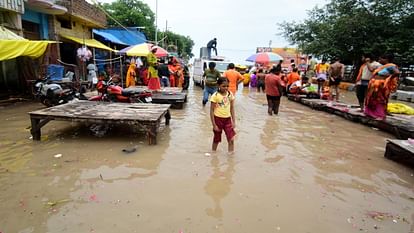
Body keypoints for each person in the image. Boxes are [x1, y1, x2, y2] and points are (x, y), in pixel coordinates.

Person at [364, 53, 400, 120]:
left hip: (380, 85)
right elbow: (372, 70)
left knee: (379, 99)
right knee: (371, 99)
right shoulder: (382, 66)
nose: (379, 60)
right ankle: (371, 114)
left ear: (386, 59)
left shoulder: (391, 66)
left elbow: (397, 72)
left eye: (380, 59)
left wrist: (389, 78)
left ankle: (380, 115)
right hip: (373, 84)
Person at [210, 77, 236, 153]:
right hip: (218, 119)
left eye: (227, 86)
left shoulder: (230, 94)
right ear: (218, 85)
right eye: (223, 86)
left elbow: (232, 108)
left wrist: (233, 121)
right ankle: (213, 154)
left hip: (228, 120)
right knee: (216, 139)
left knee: (231, 139)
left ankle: (231, 157)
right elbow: (211, 110)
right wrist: (214, 125)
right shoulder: (215, 96)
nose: (226, 88)